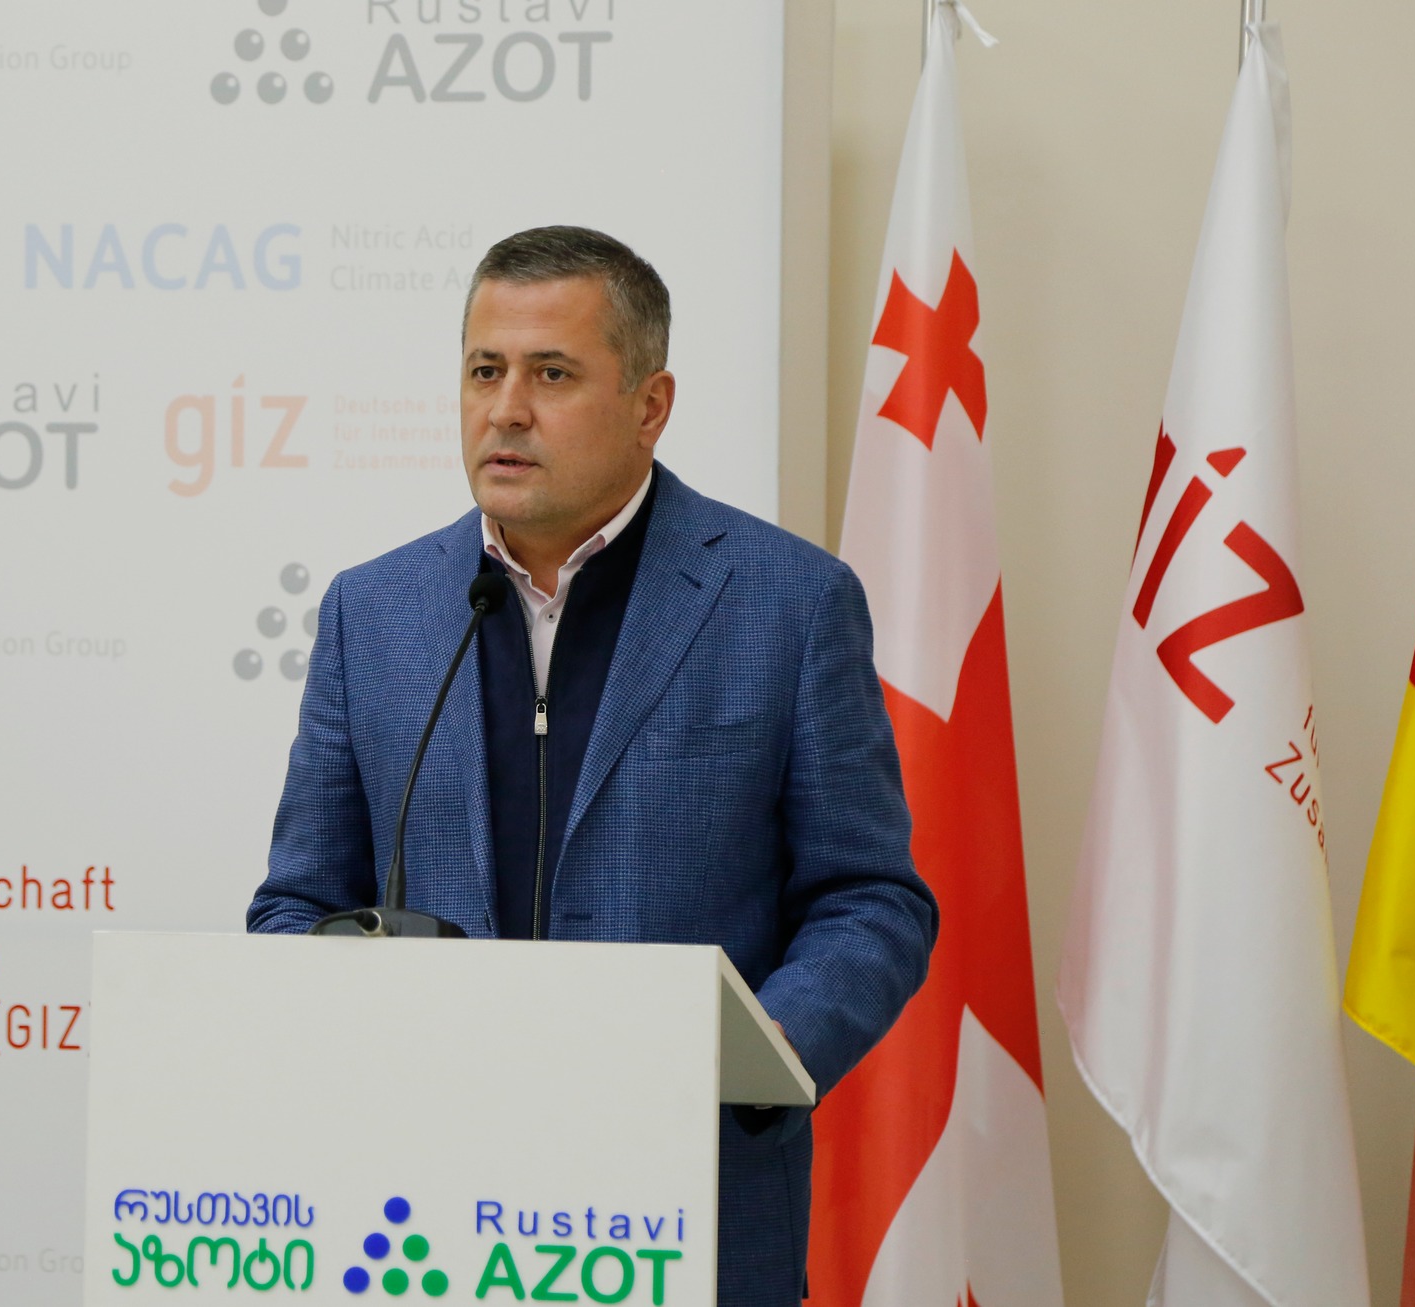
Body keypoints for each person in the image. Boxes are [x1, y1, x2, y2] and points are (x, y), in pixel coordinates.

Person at [248, 225, 936, 1305]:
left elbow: (871, 898)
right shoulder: (371, 614)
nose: (505, 409)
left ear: (650, 405)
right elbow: (296, 901)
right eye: (484, 370)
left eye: (552, 374)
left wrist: (766, 1046)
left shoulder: (789, 604)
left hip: (685, 1201)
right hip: (422, 1208)